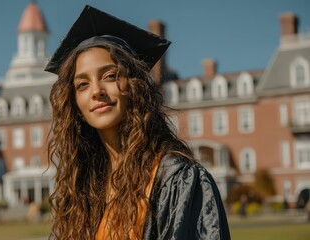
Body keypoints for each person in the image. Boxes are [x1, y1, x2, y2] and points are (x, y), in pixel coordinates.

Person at [45, 5, 231, 240]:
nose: (96, 91)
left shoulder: (176, 178)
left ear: (136, 88)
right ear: (76, 107)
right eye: (82, 84)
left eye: (110, 75)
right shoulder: (82, 190)